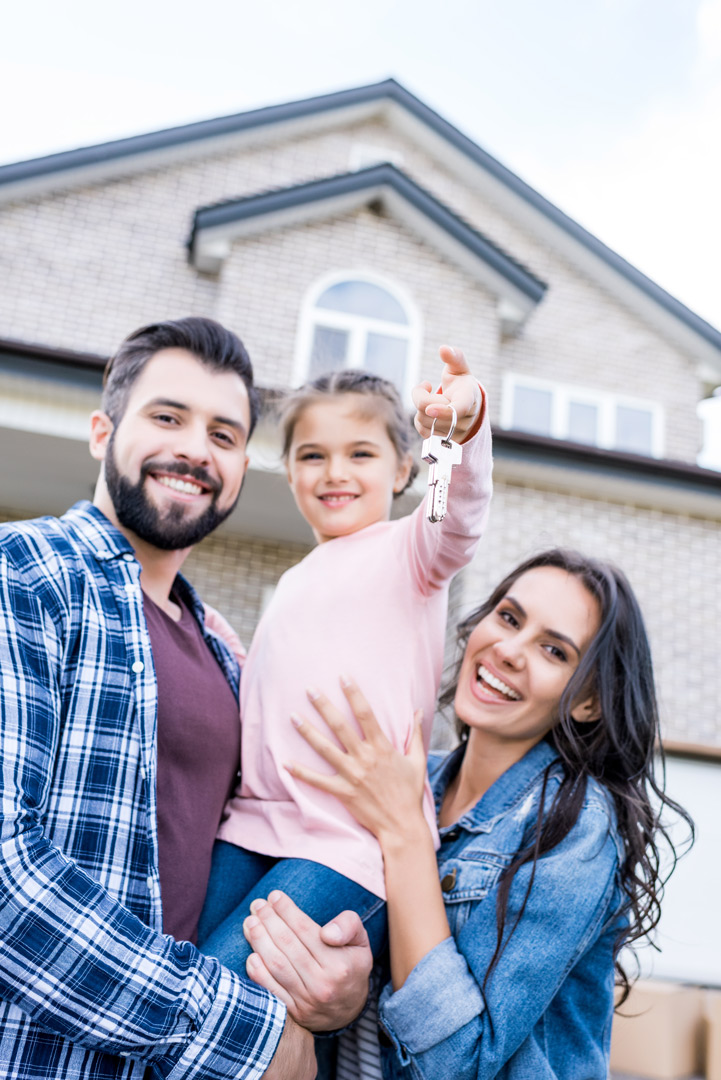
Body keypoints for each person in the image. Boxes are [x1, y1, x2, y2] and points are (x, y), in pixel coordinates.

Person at [0, 316, 372, 1080]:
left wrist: (332, 988)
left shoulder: (229, 660)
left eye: (225, 435)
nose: (196, 449)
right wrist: (235, 1032)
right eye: (167, 417)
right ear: (103, 431)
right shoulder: (27, 575)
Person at [242, 548, 692, 1079]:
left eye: (553, 650)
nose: (509, 650)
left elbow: (463, 1064)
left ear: (587, 702)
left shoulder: (573, 827)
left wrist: (406, 831)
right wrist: (342, 1004)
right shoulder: (414, 781)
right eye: (508, 617)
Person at [196, 348, 493, 985]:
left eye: (360, 453)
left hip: (345, 847)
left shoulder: (409, 552)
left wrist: (456, 438)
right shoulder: (296, 579)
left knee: (216, 998)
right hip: (252, 825)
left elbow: (455, 516)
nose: (335, 471)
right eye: (312, 455)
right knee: (183, 975)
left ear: (403, 467)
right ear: (289, 471)